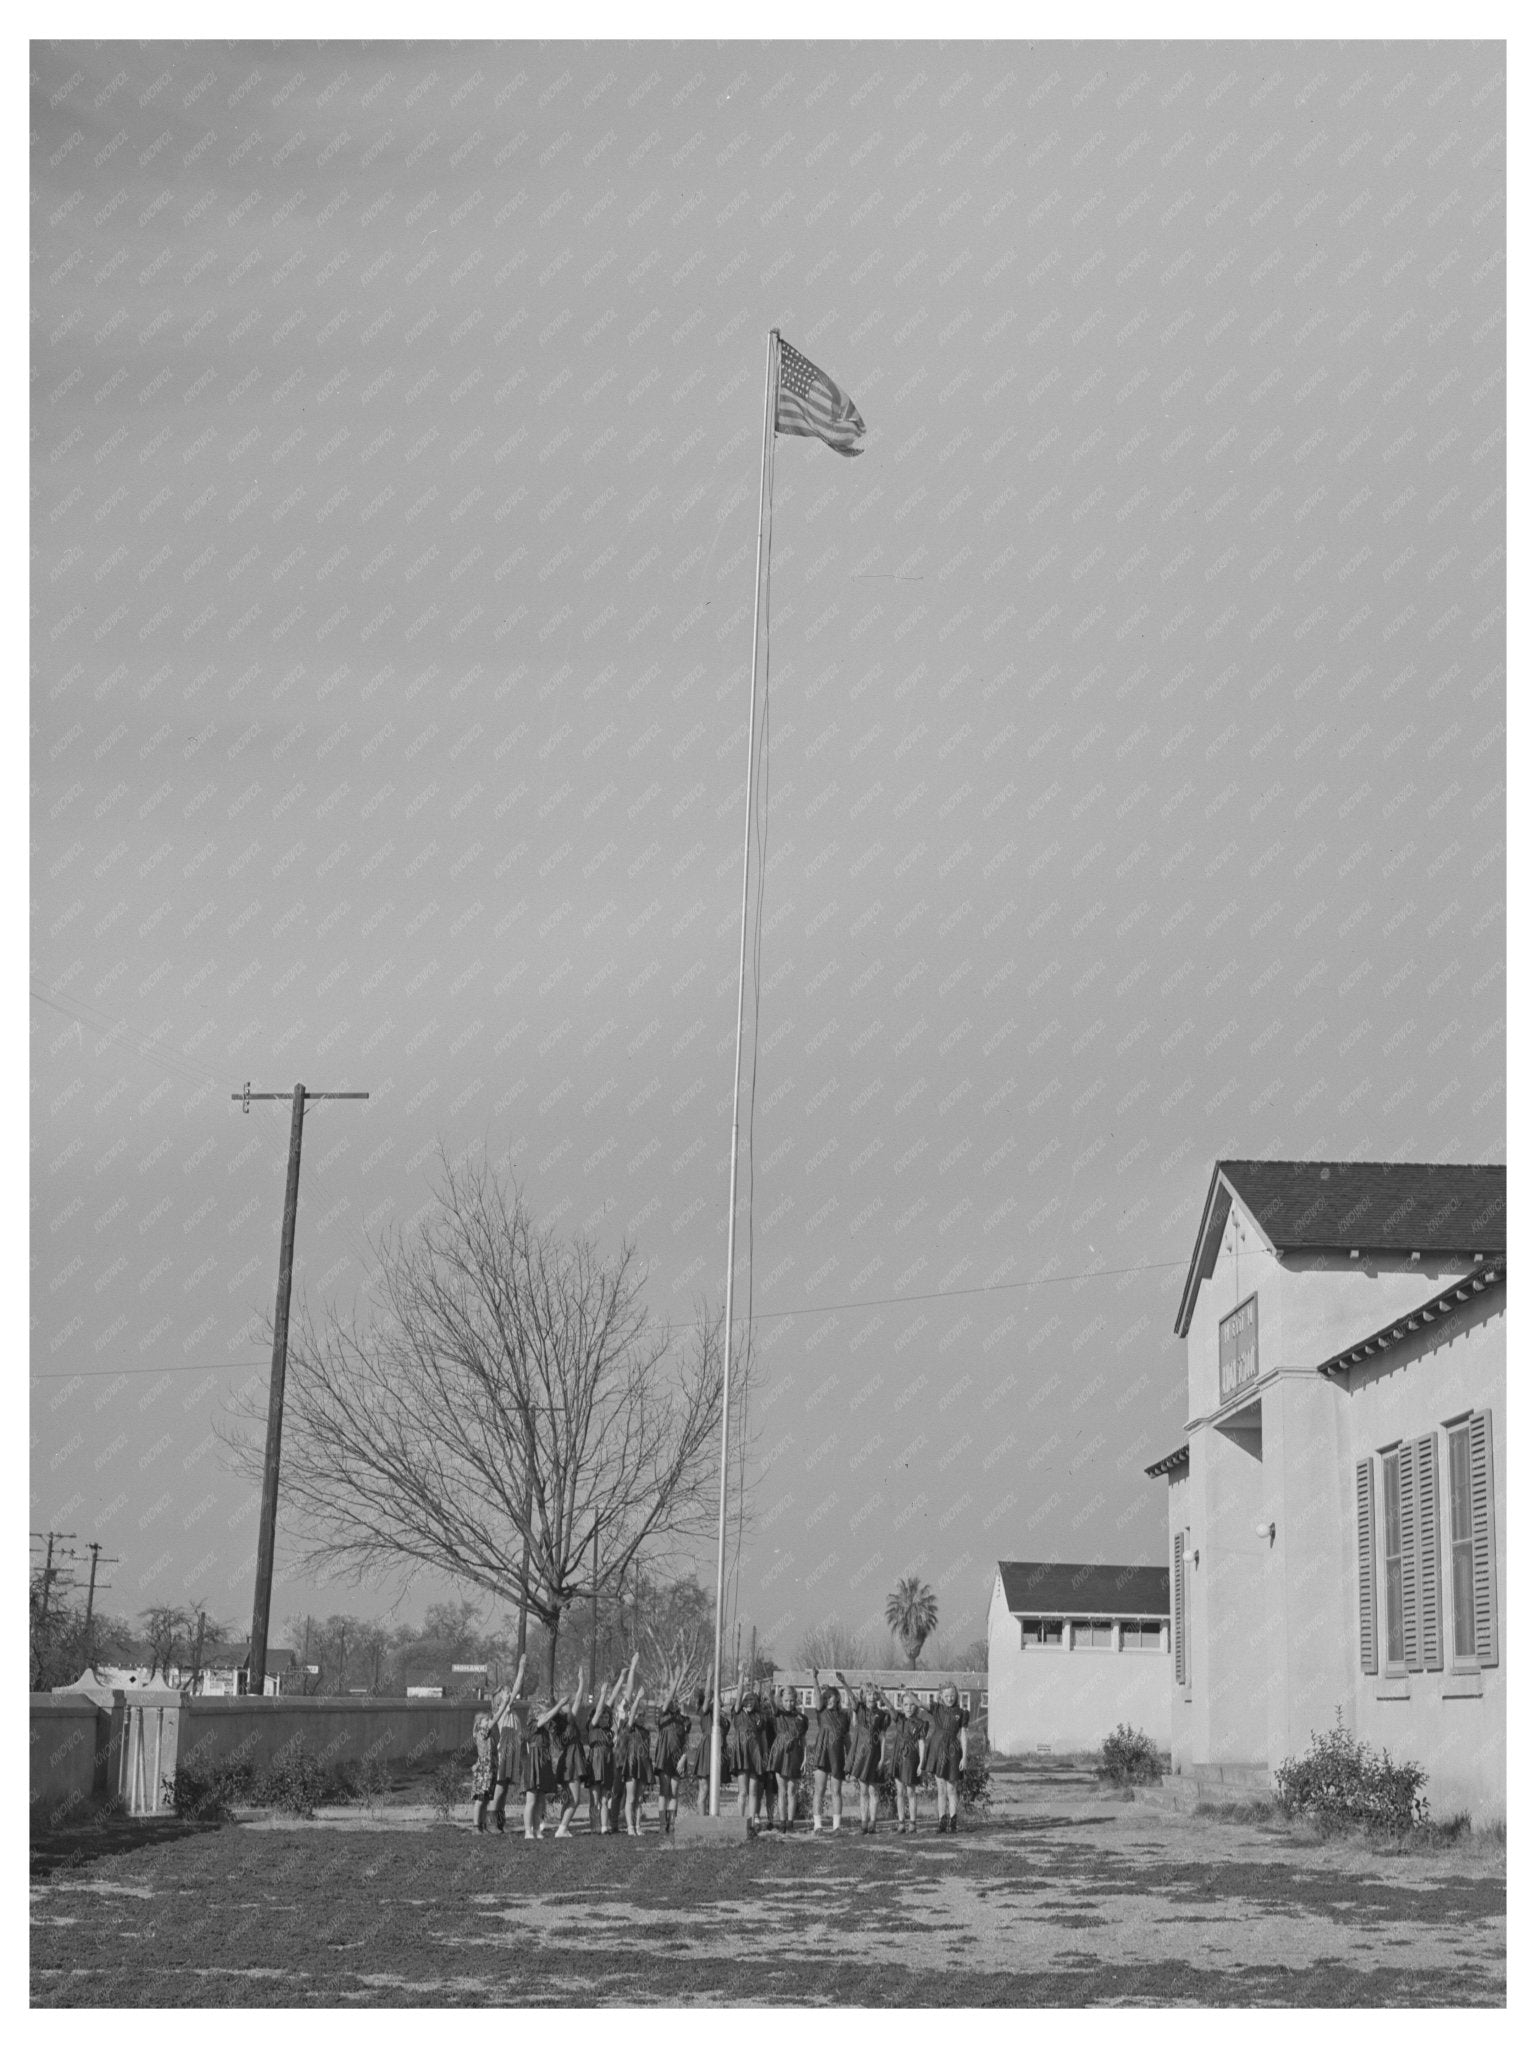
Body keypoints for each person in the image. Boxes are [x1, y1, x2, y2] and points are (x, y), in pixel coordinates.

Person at [840, 1672, 891, 1836]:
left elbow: (883, 1737)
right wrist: (844, 1682)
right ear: (863, 1695)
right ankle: (863, 1823)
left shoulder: (882, 1715)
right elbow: (852, 1699)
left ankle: (873, 1823)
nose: (871, 1697)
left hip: (875, 1756)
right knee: (862, 1791)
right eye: (868, 1694)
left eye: (873, 1694)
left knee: (873, 1790)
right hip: (861, 1756)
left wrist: (882, 1759)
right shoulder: (859, 1710)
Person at [919, 1682, 970, 1834]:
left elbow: (964, 1736)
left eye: (952, 1696)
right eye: (946, 1696)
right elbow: (921, 1704)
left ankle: (953, 1822)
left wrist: (964, 1757)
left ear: (956, 1696)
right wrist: (908, 1693)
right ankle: (942, 1821)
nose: (950, 1698)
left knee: (952, 1789)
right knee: (941, 1789)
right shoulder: (937, 1709)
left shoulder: (962, 1713)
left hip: (954, 1752)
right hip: (937, 1749)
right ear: (941, 1696)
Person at [806, 1670, 851, 1835]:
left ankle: (836, 1826)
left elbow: (847, 1740)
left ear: (837, 1697)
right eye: (826, 1698)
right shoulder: (821, 1712)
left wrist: (850, 1759)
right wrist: (814, 1678)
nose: (828, 1700)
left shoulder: (845, 1716)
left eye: (830, 1696)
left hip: (837, 1756)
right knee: (819, 1790)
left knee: (837, 1791)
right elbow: (818, 1699)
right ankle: (817, 1826)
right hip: (821, 1753)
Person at [489, 1655, 529, 1833]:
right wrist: (521, 1668)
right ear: (500, 1698)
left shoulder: (512, 1713)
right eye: (506, 1692)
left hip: (512, 1750)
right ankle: (491, 1823)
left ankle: (499, 1821)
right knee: (499, 1788)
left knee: (504, 1788)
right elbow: (517, 1687)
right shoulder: (502, 1709)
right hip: (504, 1751)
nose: (510, 1693)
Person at [550, 1663, 590, 1838]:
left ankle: (562, 1826)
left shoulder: (567, 1722)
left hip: (569, 1761)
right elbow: (577, 1701)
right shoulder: (565, 1725)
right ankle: (562, 1828)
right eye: (565, 1706)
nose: (570, 1705)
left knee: (569, 1798)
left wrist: (581, 1681)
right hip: (572, 1762)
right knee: (575, 1799)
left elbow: (579, 1699)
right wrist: (560, 1704)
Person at [522, 1689, 567, 1839]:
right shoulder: (532, 1725)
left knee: (541, 1799)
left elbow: (551, 1720)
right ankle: (528, 1831)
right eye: (542, 1712)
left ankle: (536, 1829)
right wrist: (559, 1704)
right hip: (534, 1760)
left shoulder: (546, 1729)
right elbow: (546, 1717)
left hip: (544, 1761)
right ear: (535, 1713)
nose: (546, 1716)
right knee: (531, 1798)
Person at [766, 1684, 809, 1835]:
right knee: (782, 1791)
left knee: (792, 1790)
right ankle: (782, 1822)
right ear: (782, 1701)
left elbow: (803, 1740)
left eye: (791, 1700)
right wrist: (777, 1691)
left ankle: (791, 1823)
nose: (789, 1703)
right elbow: (772, 1701)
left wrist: (805, 1758)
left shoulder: (802, 1718)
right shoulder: (778, 1714)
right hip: (780, 1753)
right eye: (786, 1700)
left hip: (795, 1754)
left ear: (795, 1700)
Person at [725, 1680, 765, 1830]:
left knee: (754, 1791)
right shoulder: (737, 1713)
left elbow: (762, 1737)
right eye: (746, 1700)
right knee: (743, 1791)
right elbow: (739, 1694)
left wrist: (764, 1755)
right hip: (742, 1754)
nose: (749, 1702)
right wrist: (741, 1678)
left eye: (751, 1699)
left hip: (755, 1754)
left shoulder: (758, 1717)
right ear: (741, 1701)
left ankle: (753, 1822)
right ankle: (741, 1821)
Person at [652, 1682, 688, 1837]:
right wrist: (677, 1680)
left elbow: (686, 1742)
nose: (674, 1702)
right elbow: (667, 1702)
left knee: (674, 1791)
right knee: (664, 1791)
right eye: (672, 1700)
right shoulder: (662, 1715)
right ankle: (662, 1824)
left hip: (677, 1759)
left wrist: (683, 1758)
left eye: (676, 1700)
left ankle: (672, 1824)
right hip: (664, 1757)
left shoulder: (684, 1720)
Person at [617, 1685, 652, 1836]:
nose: (641, 1718)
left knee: (639, 1799)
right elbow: (631, 1717)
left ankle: (638, 1826)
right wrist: (637, 1698)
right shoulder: (628, 1727)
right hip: (631, 1764)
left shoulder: (646, 1732)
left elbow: (647, 1750)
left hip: (643, 1765)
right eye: (639, 1715)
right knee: (630, 1798)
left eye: (643, 1715)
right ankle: (630, 1827)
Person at [584, 1678, 617, 1834]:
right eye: (601, 1716)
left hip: (607, 1764)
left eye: (606, 1717)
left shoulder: (610, 1733)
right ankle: (594, 1827)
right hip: (595, 1763)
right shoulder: (592, 1727)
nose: (604, 1719)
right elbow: (598, 1711)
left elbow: (610, 1709)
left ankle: (604, 1827)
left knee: (605, 1799)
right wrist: (603, 1694)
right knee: (594, 1799)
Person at [891, 1690, 923, 1834]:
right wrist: (883, 1696)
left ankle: (913, 1823)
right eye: (905, 1704)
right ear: (901, 1706)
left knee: (911, 1792)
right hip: (898, 1758)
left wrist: (921, 1763)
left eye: (911, 1704)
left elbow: (922, 1744)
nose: (908, 1707)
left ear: (916, 1706)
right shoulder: (899, 1719)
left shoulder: (921, 1723)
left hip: (912, 1759)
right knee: (900, 1792)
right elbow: (890, 1709)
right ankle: (901, 1823)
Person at [470, 1704, 498, 1832]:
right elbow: (495, 1719)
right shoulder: (482, 1733)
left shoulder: (489, 1735)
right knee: (480, 1800)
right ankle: (476, 1826)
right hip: (483, 1771)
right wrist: (503, 1705)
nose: (489, 1722)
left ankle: (482, 1825)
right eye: (486, 1720)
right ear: (479, 1723)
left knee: (486, 1800)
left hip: (490, 1769)